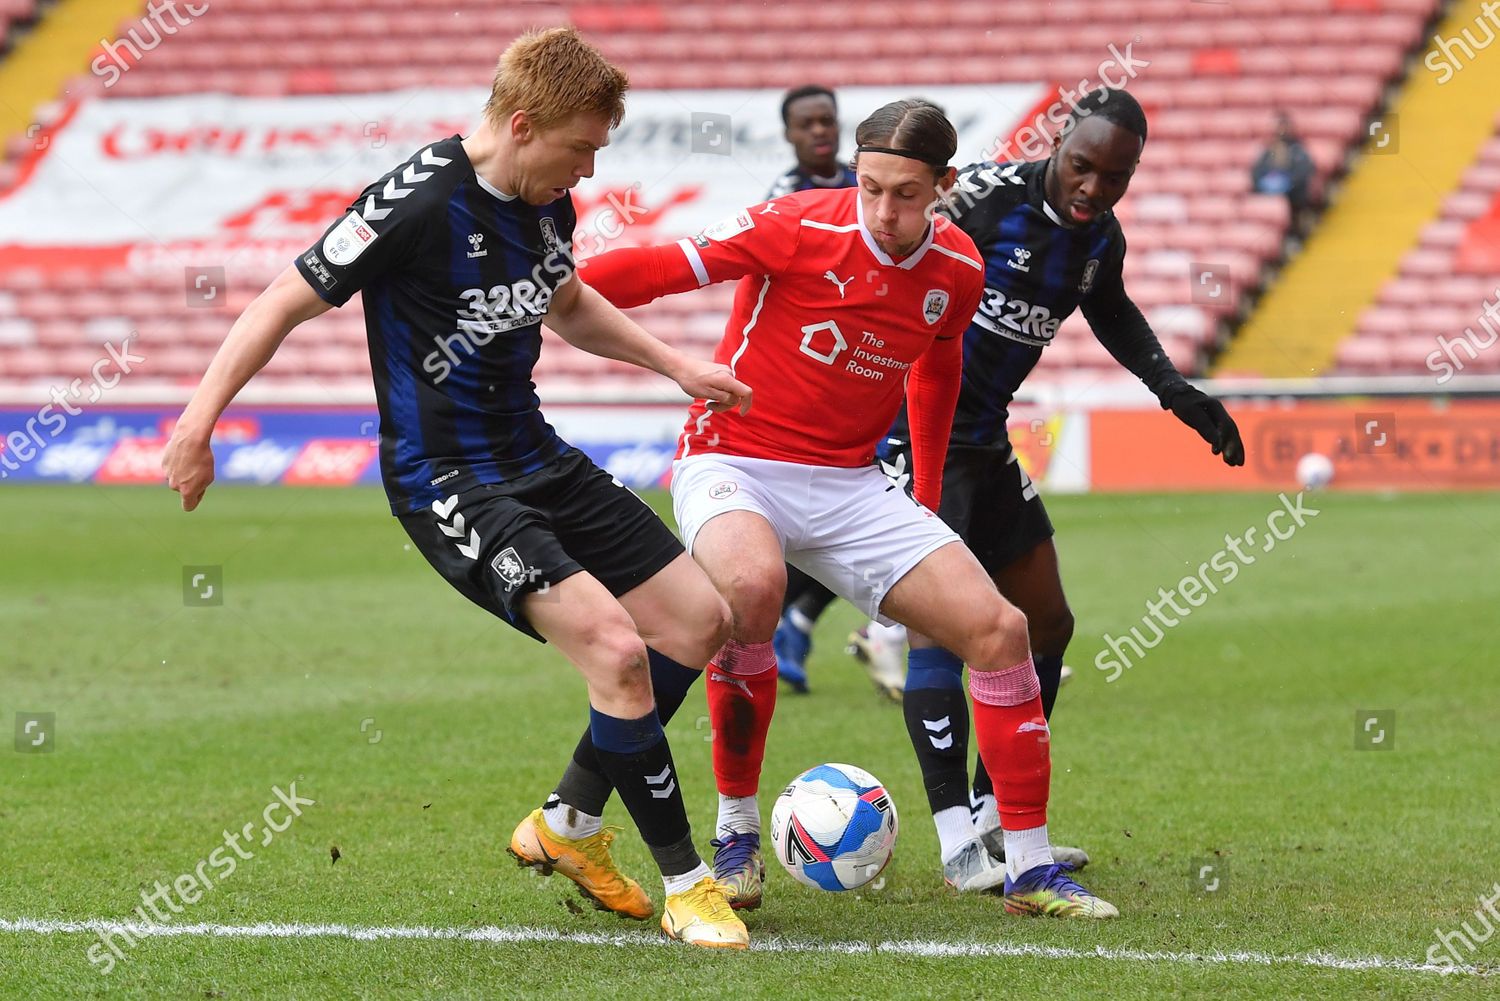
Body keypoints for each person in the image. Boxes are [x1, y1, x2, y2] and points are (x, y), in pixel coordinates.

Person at [160, 27, 753, 950]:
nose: (588, 172)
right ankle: (688, 883)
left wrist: (673, 363)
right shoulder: (415, 202)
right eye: (581, 149)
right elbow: (282, 298)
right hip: (448, 480)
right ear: (523, 123)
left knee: (699, 620)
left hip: (537, 455)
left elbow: (564, 301)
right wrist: (199, 423)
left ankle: (565, 825)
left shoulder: (544, 202)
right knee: (617, 652)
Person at [558, 98, 1118, 916]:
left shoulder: (958, 269)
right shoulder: (797, 225)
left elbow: (934, 372)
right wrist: (543, 288)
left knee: (1002, 632)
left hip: (854, 484)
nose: (884, 212)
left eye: (904, 194)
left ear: (943, 188)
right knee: (751, 593)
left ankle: (1028, 869)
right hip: (735, 458)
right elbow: (651, 271)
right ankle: (739, 832)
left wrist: (924, 497)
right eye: (870, 188)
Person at [881, 87, 1245, 879]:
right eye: (1082, 167)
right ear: (1059, 146)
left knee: (1047, 622)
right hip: (915, 437)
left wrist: (1173, 390)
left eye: (1114, 178)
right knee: (942, 628)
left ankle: (995, 815)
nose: (1093, 189)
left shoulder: (1095, 239)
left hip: (985, 443)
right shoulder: (980, 197)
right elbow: (886, 251)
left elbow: (1110, 308)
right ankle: (954, 843)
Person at [766, 85, 858, 200]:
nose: (819, 131)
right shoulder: (783, 199)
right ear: (788, 135)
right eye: (805, 125)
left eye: (827, 121)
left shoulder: (864, 180)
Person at [1251, 111, 1316, 236]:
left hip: (1292, 198)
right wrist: (1265, 185)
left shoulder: (1298, 150)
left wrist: (1287, 184)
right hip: (1268, 195)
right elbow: (1256, 172)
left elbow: (1305, 170)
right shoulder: (1268, 151)